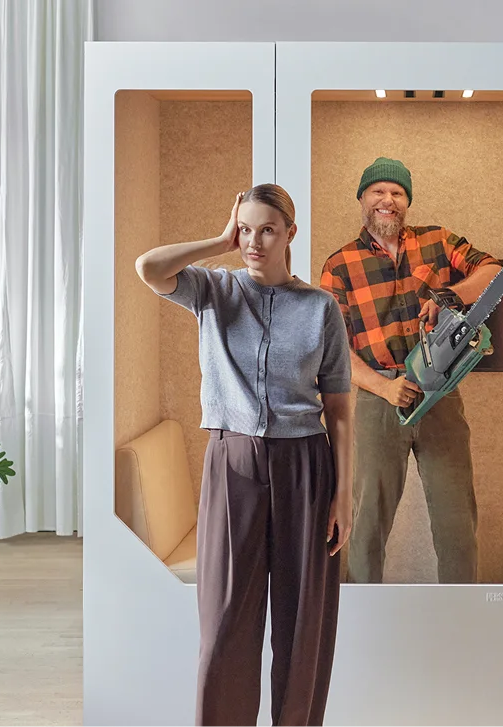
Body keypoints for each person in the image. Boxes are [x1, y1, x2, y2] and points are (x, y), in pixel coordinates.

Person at [135, 184, 354, 727]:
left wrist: (344, 494)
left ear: (290, 234)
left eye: (268, 230)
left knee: (303, 625)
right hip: (232, 462)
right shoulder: (214, 290)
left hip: (306, 467)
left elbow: (340, 411)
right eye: (246, 229)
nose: (254, 242)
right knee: (225, 621)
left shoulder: (321, 308)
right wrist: (218, 240)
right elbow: (148, 268)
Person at [318, 157, 503, 584]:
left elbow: (494, 272)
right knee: (368, 520)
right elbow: (334, 349)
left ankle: (460, 612)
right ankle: (364, 613)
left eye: (397, 193)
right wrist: (384, 389)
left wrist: (449, 297)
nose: (388, 199)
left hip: (441, 392)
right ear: (362, 199)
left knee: (457, 518)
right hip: (379, 399)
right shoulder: (339, 265)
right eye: (378, 191)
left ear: (407, 202)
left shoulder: (437, 241)